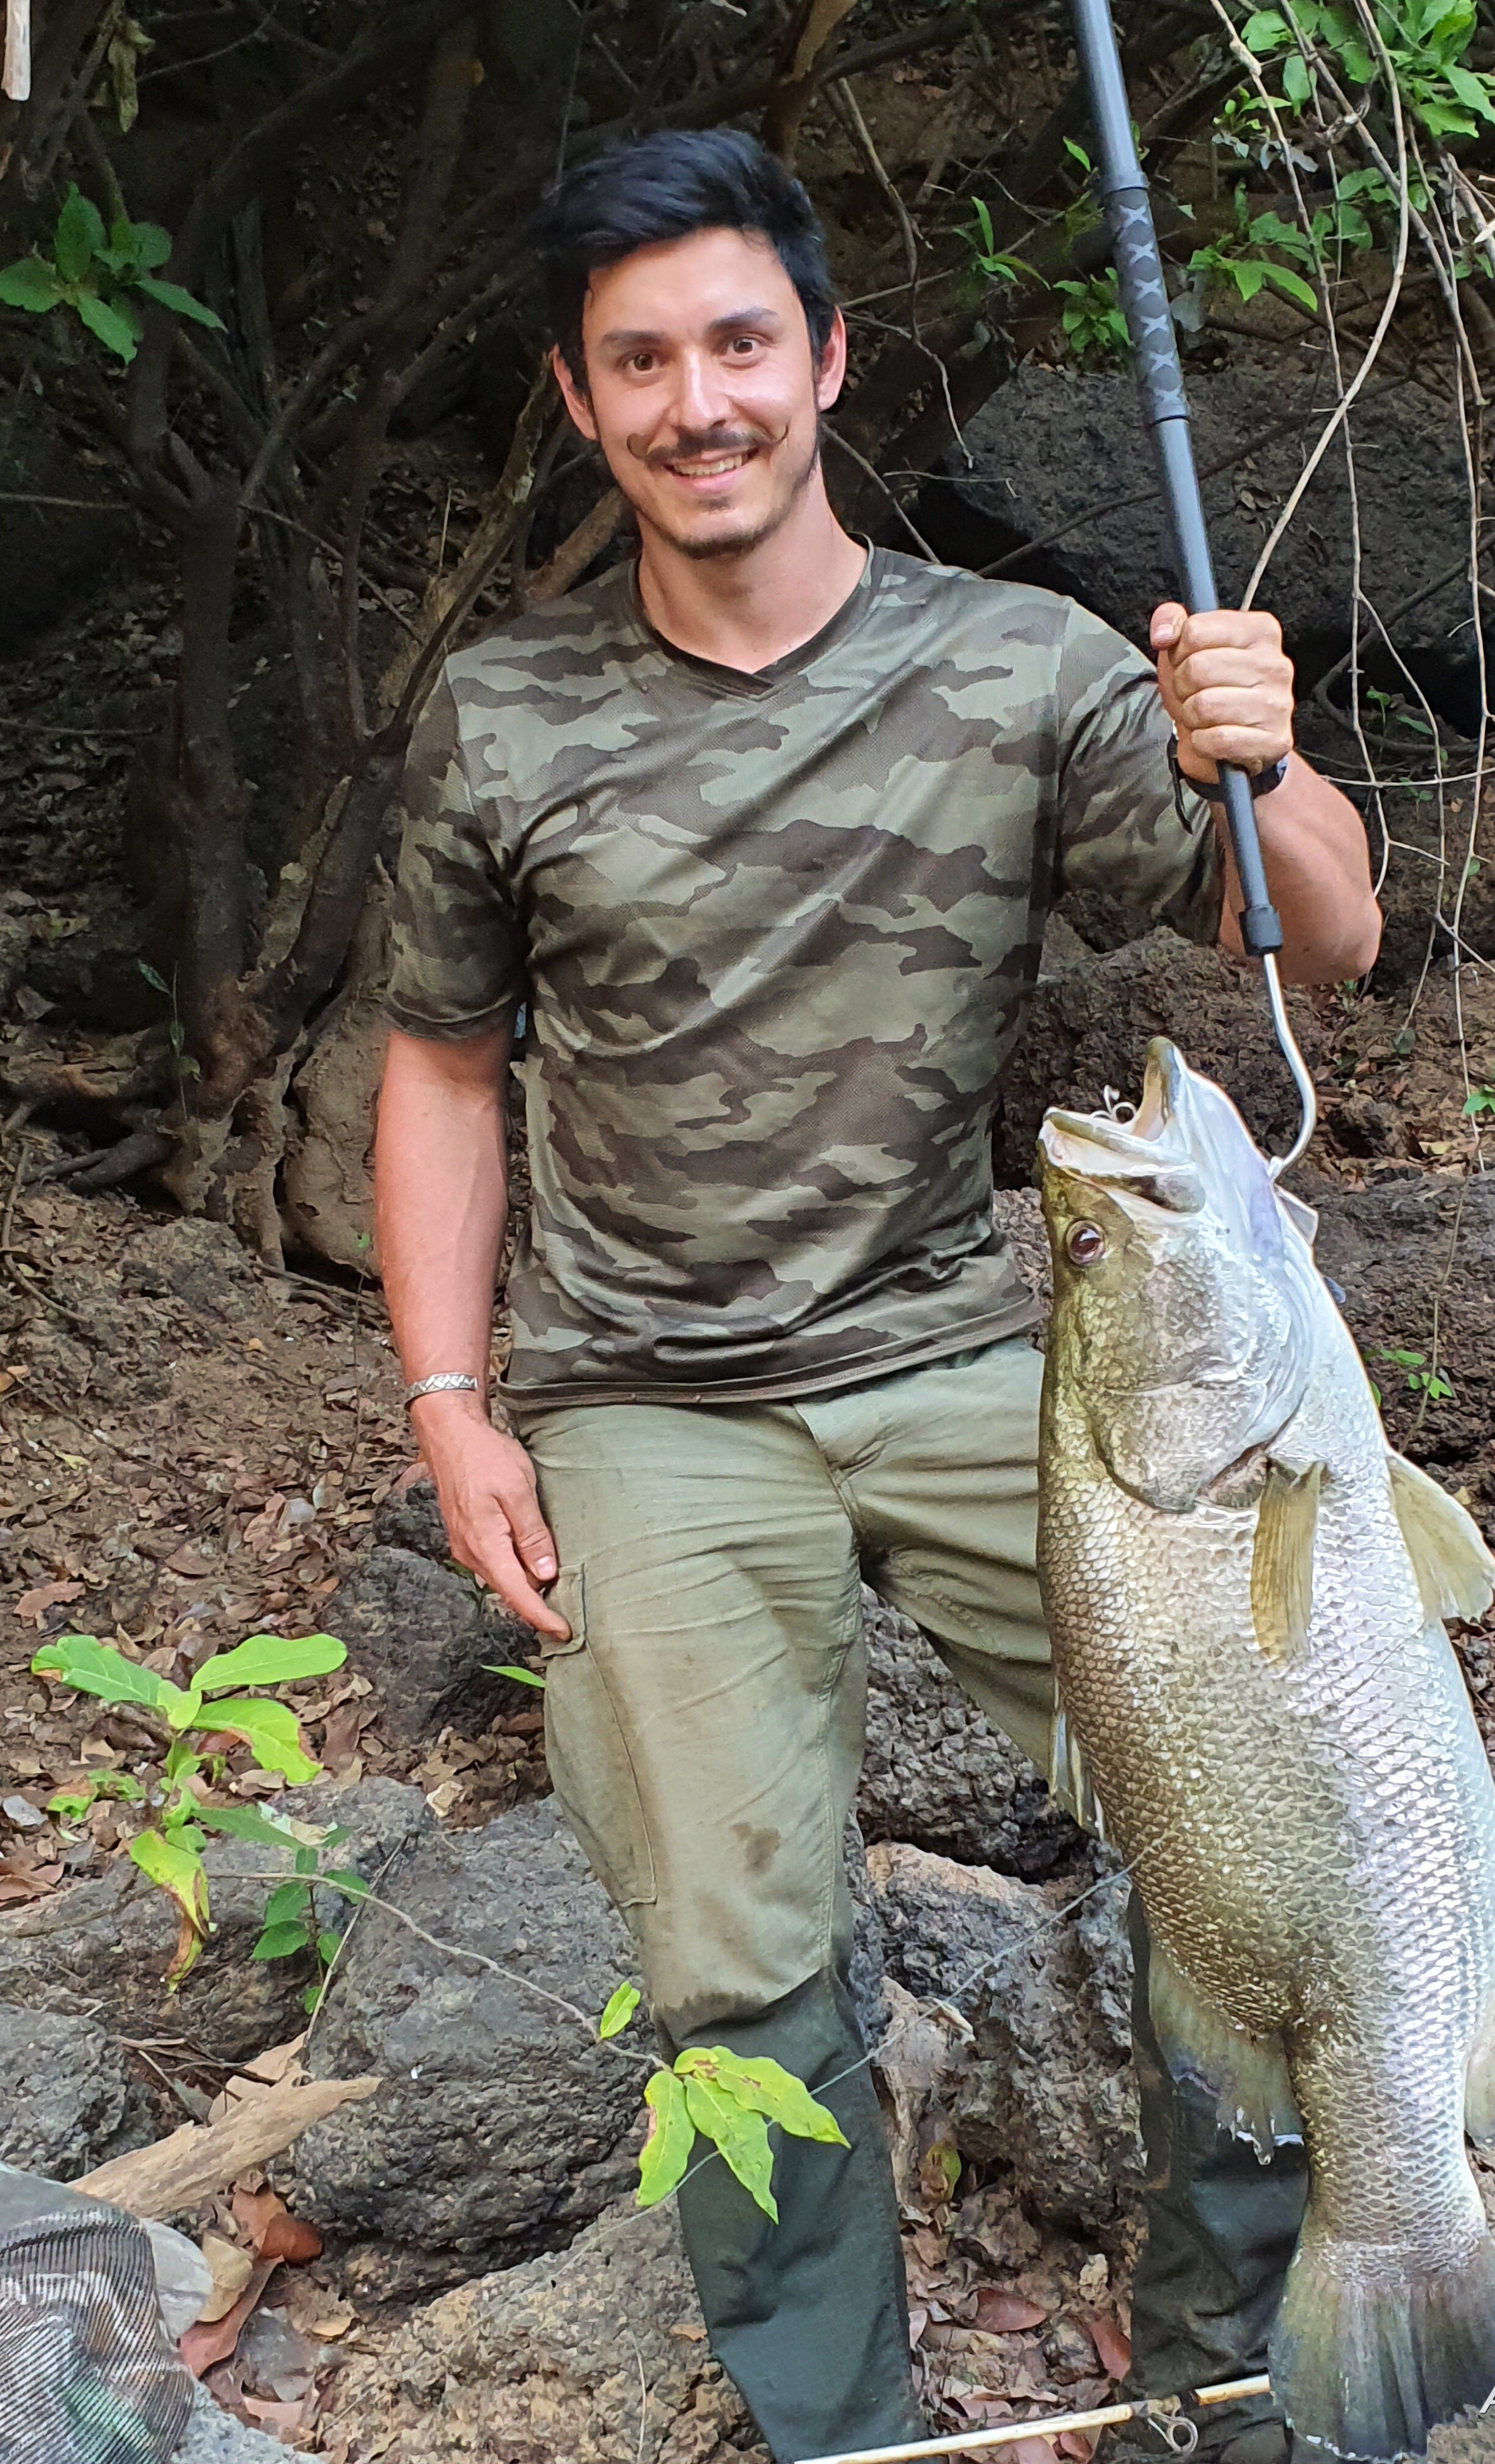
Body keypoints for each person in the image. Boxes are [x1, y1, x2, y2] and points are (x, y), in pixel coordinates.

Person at [373, 127, 1380, 2464]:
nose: (698, 401)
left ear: (823, 357)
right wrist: (453, 1405)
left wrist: (1273, 752)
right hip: (645, 1404)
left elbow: (1315, 934)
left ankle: (1236, 2378)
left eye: (741, 342)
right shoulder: (512, 719)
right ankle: (841, 2433)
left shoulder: (1015, 670)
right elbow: (438, 1066)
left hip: (989, 1370)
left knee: (1291, 1815)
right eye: (642, 362)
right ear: (578, 397)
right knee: (734, 1970)